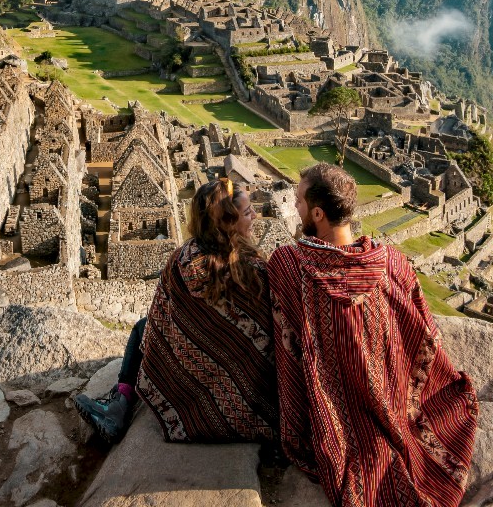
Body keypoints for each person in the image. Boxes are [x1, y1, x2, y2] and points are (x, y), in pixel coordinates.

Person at [268, 162, 478, 507]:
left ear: (318, 214)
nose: (294, 205)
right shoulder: (391, 261)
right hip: (397, 400)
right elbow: (425, 329)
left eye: (300, 200)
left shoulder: (290, 265)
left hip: (341, 425)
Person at [74, 177, 278, 445]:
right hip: (250, 393)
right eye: (248, 212)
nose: (255, 216)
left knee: (144, 327)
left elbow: (161, 316)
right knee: (148, 326)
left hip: (189, 382)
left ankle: (121, 402)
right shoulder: (254, 271)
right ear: (228, 221)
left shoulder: (183, 261)